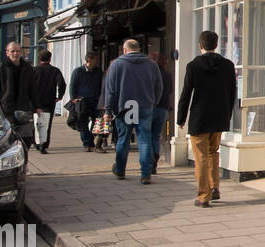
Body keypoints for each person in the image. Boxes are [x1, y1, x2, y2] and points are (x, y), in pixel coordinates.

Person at [177, 30, 237, 208]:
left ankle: (204, 195)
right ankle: (215, 186)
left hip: (199, 117)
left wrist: (181, 118)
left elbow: (186, 94)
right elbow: (232, 92)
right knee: (213, 152)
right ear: (217, 45)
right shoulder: (227, 65)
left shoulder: (193, 66)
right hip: (219, 116)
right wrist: (227, 114)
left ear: (200, 45)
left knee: (201, 157)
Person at [101, 38, 163, 185]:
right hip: (145, 106)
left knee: (123, 139)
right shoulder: (152, 65)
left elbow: (110, 90)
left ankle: (121, 170)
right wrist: (153, 102)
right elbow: (159, 87)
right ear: (139, 49)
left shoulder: (116, 65)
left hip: (125, 106)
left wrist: (108, 110)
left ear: (124, 50)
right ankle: (146, 174)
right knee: (145, 140)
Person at [0, 42, 35, 147]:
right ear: (7, 53)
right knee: (10, 138)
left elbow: (33, 88)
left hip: (24, 108)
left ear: (21, 52)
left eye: (18, 51)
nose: (15, 53)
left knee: (26, 139)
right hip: (6, 109)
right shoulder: (0, 69)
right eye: (12, 51)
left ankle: (23, 158)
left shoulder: (28, 68)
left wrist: (37, 106)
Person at [30, 50, 66, 154]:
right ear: (50, 59)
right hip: (49, 100)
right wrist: (59, 96)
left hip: (35, 101)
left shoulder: (34, 70)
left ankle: (36, 142)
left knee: (35, 122)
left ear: (39, 58)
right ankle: (43, 145)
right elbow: (62, 84)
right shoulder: (55, 71)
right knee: (47, 123)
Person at [69, 52, 104, 152]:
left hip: (96, 100)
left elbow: (102, 85)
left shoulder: (98, 71)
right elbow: (73, 85)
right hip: (82, 101)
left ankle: (94, 141)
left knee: (97, 121)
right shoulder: (78, 71)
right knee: (83, 123)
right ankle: (87, 143)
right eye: (95, 60)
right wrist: (73, 99)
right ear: (89, 60)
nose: (97, 62)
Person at [148, 51, 173, 175]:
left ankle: (149, 161)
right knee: (156, 136)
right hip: (163, 108)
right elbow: (170, 91)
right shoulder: (167, 75)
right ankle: (155, 161)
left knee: (146, 136)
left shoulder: (149, 75)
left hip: (150, 108)